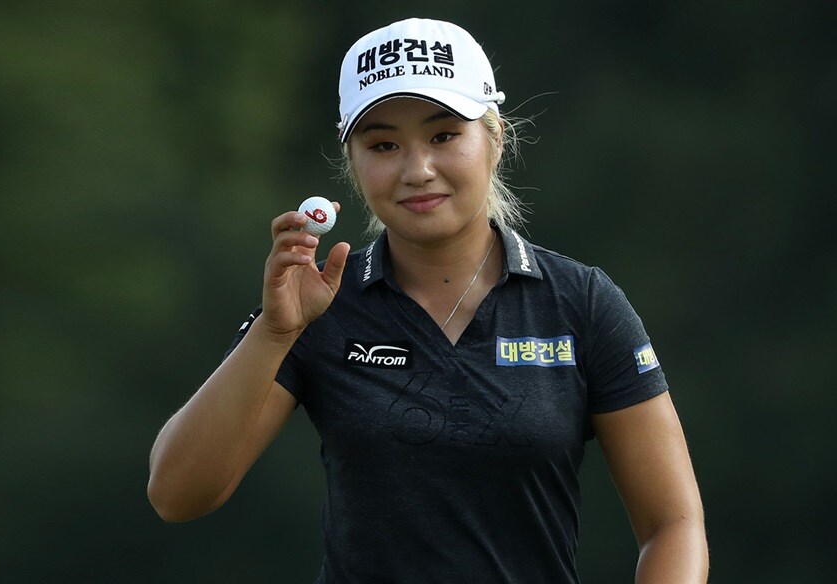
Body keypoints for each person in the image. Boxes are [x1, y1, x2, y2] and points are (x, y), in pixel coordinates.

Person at [148, 17, 708, 583]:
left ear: (495, 139)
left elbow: (673, 525)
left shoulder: (580, 302)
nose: (417, 170)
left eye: (443, 136)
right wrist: (274, 335)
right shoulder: (319, 301)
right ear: (353, 162)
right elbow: (177, 494)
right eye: (383, 144)